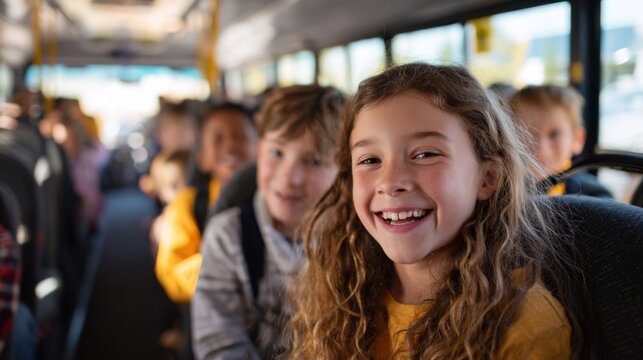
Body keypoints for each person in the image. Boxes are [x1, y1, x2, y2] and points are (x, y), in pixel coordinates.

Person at [289, 64, 587, 359]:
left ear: (487, 178)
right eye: (369, 160)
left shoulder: (522, 327)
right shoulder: (343, 297)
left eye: (425, 154)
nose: (390, 183)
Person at [192, 85, 347, 359]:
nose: (289, 178)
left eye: (313, 161)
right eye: (276, 153)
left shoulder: (355, 237)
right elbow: (219, 343)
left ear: (344, 170)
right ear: (259, 149)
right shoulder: (230, 236)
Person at [155, 102, 257, 304]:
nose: (230, 146)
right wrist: (225, 266)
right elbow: (172, 273)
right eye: (217, 139)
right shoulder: (189, 204)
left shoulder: (278, 198)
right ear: (202, 158)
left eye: (240, 136)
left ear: (260, 147)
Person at [510, 85, 612, 198]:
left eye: (554, 134)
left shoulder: (594, 196)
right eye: (528, 134)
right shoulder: (503, 191)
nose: (541, 147)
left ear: (577, 139)